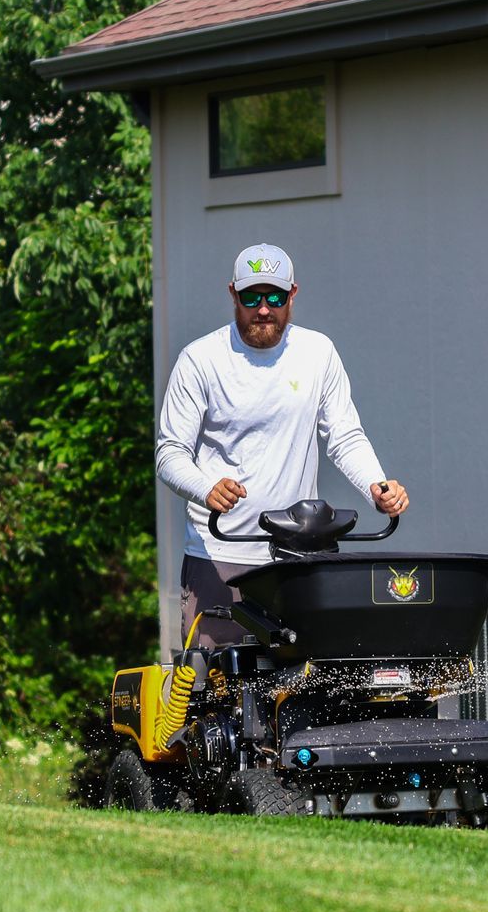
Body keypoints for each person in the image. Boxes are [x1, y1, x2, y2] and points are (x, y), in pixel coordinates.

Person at [155, 243, 408, 646]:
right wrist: (207, 488)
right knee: (213, 694)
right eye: (251, 297)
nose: (263, 310)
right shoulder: (200, 359)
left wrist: (378, 487)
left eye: (274, 297)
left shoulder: (317, 352)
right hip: (222, 555)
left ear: (292, 294)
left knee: (306, 690)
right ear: (232, 294)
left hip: (300, 559)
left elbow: (343, 436)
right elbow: (169, 454)